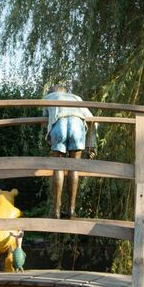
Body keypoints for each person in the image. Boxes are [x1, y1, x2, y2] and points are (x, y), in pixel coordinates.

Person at [42, 83, 97, 218]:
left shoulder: (48, 97)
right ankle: (72, 211)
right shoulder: (76, 98)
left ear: (51, 92)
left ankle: (56, 211)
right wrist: (91, 145)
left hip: (59, 125)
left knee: (58, 167)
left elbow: (44, 118)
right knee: (74, 168)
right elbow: (92, 119)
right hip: (77, 127)